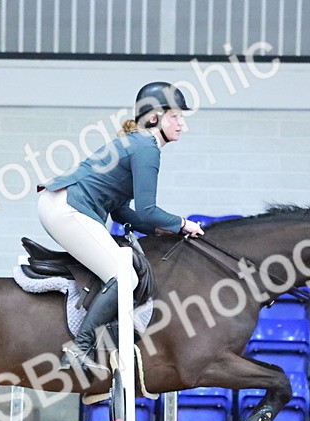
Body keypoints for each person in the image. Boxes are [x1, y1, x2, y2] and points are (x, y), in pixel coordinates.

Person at [38, 81, 205, 371]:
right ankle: (80, 348)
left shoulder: (137, 142)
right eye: (175, 116)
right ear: (154, 117)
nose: (182, 125)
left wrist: (158, 229)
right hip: (68, 208)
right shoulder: (146, 146)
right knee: (124, 277)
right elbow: (148, 209)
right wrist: (182, 224)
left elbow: (120, 212)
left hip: (61, 204)